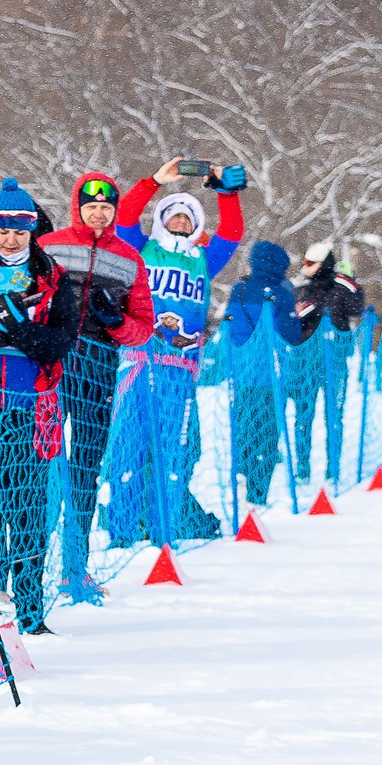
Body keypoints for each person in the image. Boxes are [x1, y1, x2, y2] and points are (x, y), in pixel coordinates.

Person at [0, 182, 76, 632]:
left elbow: (61, 342)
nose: (10, 239)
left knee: (26, 508)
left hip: (31, 409)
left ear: (32, 232)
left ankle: (29, 608)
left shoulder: (53, 277)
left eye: (19, 231)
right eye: (1, 229)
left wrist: (18, 328)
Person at [105, 163, 243, 545]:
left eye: (188, 218)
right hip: (136, 364)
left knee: (171, 452)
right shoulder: (140, 249)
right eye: (174, 216)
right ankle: (121, 529)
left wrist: (226, 193)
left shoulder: (203, 259)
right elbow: (126, 215)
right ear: (163, 220)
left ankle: (164, 530)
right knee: (127, 450)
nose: (180, 222)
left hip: (180, 368)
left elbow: (232, 233)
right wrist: (155, 181)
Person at [37, 174, 154, 601]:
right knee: (40, 463)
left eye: (106, 208)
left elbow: (144, 328)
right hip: (50, 365)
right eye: (91, 207)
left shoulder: (129, 259)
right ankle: (26, 565)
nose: (98, 214)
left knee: (86, 464)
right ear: (77, 208)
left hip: (99, 366)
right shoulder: (50, 246)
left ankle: (75, 564)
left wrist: (115, 321)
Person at [222, 241, 306, 506]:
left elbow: (232, 331)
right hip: (271, 374)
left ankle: (243, 467)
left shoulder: (240, 288)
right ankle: (258, 491)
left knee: (245, 425)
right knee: (267, 432)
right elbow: (291, 335)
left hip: (242, 372)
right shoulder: (282, 294)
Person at [289, 241, 366, 484]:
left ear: (323, 264)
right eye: (305, 262)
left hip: (334, 362)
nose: (306, 267)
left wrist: (350, 283)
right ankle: (303, 466)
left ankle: (334, 467)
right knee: (303, 415)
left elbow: (356, 307)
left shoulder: (342, 288)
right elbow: (291, 326)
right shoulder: (301, 290)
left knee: (334, 415)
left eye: (311, 263)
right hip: (305, 363)